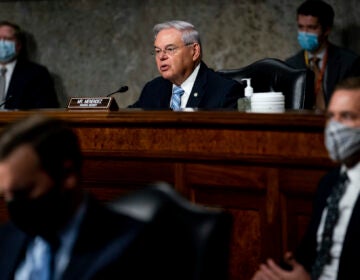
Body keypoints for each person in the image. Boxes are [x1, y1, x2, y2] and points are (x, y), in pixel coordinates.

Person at [0, 114, 195, 279]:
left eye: (22, 192)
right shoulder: (6, 239)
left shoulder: (136, 248)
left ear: (67, 175)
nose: (13, 206)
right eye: (5, 196)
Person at [251, 76, 360, 280]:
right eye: (331, 116)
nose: (334, 127)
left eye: (346, 116)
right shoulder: (330, 183)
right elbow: (308, 253)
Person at [129, 20, 244, 110]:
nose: (161, 57)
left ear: (194, 51)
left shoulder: (226, 91)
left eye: (170, 49)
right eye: (158, 51)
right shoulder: (153, 89)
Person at [285, 0, 360, 111]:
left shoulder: (349, 62)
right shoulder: (290, 65)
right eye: (301, 27)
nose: (304, 33)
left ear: (327, 30)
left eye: (311, 27)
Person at [0, 21, 59, 109]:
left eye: (8, 39)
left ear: (19, 45)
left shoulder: (37, 74)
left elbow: (48, 109)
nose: (2, 43)